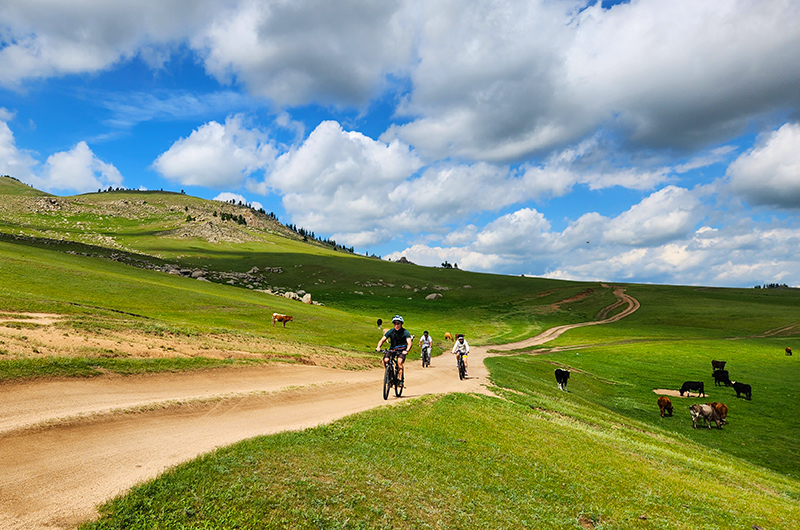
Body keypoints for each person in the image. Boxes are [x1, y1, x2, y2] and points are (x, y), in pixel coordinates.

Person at [376, 315, 412, 386]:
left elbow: (409, 343)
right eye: (395, 324)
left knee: (399, 362)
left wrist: (406, 350)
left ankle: (400, 380)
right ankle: (388, 374)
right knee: (386, 360)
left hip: (402, 350)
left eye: (398, 324)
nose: (396, 325)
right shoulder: (391, 331)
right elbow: (382, 340)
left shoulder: (405, 332)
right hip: (392, 349)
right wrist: (378, 347)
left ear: (401, 324)